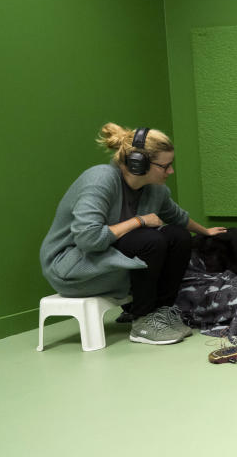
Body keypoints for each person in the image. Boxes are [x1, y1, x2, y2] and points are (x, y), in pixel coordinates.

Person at [40, 123, 226, 345]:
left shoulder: (155, 189)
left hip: (105, 257)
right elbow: (88, 239)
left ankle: (160, 312)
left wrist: (206, 231)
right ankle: (141, 319)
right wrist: (139, 221)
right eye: (164, 166)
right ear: (138, 164)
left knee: (179, 236)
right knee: (151, 239)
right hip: (72, 268)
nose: (170, 171)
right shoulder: (100, 180)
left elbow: (178, 217)